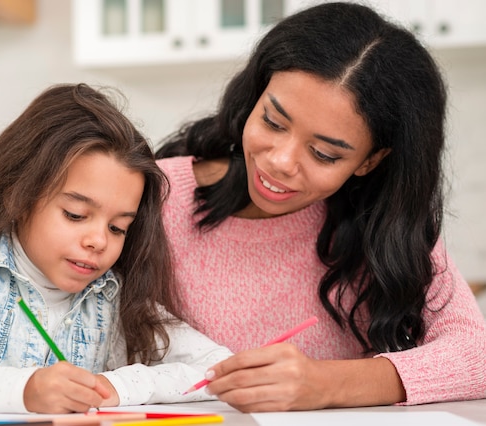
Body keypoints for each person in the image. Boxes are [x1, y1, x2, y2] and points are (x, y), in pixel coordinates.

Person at [155, 1, 486, 413]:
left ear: (370, 160)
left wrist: (326, 384)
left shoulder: (382, 221)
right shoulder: (155, 196)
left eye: (324, 153)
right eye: (273, 123)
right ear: (256, 94)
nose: (281, 161)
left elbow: (476, 356)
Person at [0, 83, 232, 413]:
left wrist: (116, 387)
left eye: (118, 227)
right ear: (20, 195)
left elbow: (219, 367)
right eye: (75, 214)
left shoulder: (112, 291)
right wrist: (22, 391)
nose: (98, 241)